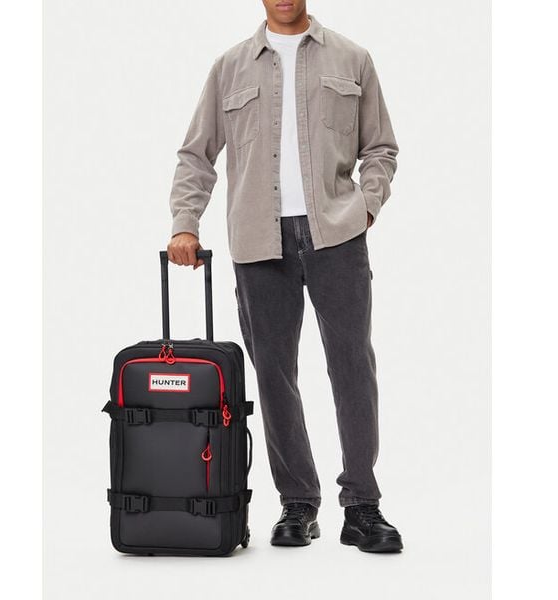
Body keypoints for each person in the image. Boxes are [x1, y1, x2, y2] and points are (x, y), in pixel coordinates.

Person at [167, 0, 403, 553]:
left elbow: (380, 149)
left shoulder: (352, 58)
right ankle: (298, 502)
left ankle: (362, 506)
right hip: (258, 240)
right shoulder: (229, 67)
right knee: (273, 373)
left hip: (337, 236)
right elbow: (196, 155)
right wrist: (185, 223)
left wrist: (366, 208)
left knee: (352, 366)